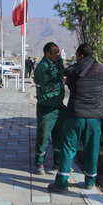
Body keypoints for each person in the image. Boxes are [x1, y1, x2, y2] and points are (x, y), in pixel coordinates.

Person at [48, 44, 103, 192]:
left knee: (68, 148)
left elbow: (64, 73)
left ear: (80, 55)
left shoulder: (73, 70)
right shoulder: (102, 68)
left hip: (75, 115)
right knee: (92, 149)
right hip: (94, 117)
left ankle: (62, 182)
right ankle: (89, 181)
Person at [33, 42, 66, 175]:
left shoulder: (58, 63)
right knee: (43, 136)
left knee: (59, 136)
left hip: (59, 106)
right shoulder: (42, 67)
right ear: (47, 54)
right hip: (46, 108)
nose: (58, 55)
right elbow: (47, 87)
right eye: (56, 52)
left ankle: (57, 162)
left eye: (58, 52)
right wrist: (63, 82)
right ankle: (39, 163)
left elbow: (62, 75)